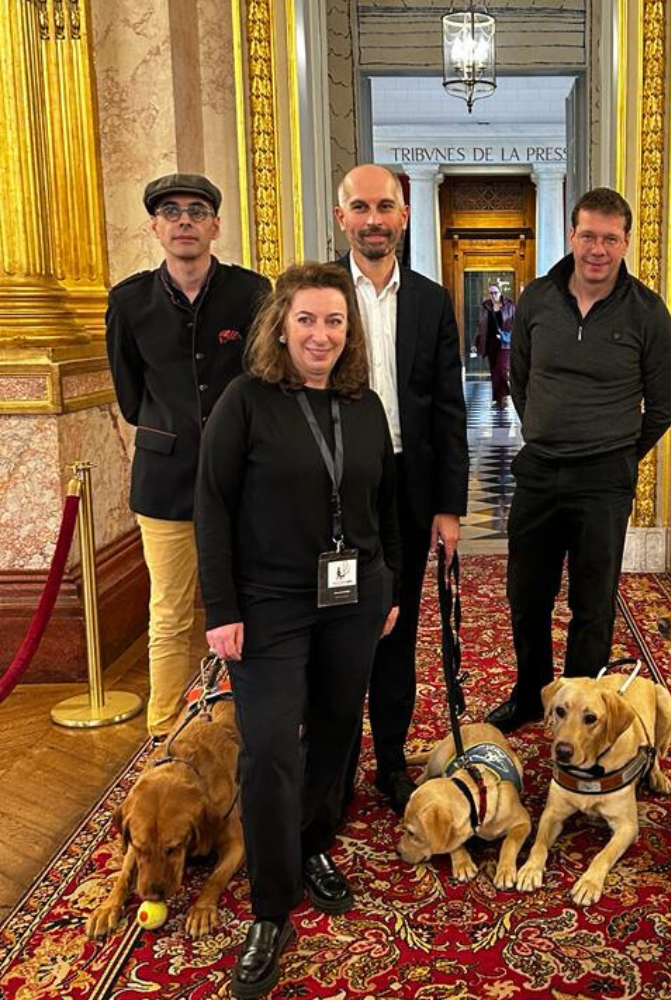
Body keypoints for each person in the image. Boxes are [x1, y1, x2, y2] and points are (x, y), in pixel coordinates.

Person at [196, 262, 401, 999]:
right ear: (280, 326)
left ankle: (314, 843)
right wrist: (221, 610)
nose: (322, 334)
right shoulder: (244, 402)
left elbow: (386, 503)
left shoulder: (366, 405)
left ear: (351, 333)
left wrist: (387, 582)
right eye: (308, 319)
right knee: (273, 748)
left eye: (335, 321)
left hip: (354, 593)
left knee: (340, 727)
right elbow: (212, 506)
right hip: (269, 602)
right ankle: (271, 908)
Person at [487, 188, 671, 733]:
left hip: (604, 481)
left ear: (625, 242)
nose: (598, 249)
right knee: (527, 595)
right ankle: (531, 697)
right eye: (588, 236)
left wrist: (617, 454)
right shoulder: (538, 299)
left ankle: (582, 711)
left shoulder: (648, 313)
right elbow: (519, 381)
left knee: (592, 606)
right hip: (539, 471)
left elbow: (661, 407)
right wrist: (546, 430)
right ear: (572, 236)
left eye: (610, 239)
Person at [105, 173, 269, 738]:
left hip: (243, 482)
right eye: (171, 212)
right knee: (170, 615)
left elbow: (263, 380)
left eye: (196, 211)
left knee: (253, 606)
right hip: (165, 483)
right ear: (154, 226)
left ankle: (251, 723)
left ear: (215, 226)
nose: (184, 221)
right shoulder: (128, 301)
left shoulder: (251, 293)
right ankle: (164, 733)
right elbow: (131, 396)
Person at [333, 164, 468, 813]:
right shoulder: (316, 293)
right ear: (343, 219)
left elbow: (448, 408)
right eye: (360, 207)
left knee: (396, 624)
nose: (374, 219)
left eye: (385, 205)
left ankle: (390, 762)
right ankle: (330, 766)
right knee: (333, 627)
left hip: (410, 490)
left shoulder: (431, 300)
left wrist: (450, 505)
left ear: (404, 216)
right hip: (336, 488)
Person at [474, 280, 515, 406]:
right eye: (491, 293)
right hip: (490, 342)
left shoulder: (509, 305)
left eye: (495, 293)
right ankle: (498, 399)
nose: (493, 295)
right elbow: (481, 326)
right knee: (494, 371)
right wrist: (475, 343)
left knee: (502, 369)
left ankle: (505, 395)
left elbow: (516, 323)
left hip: (505, 342)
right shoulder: (486, 306)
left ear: (500, 292)